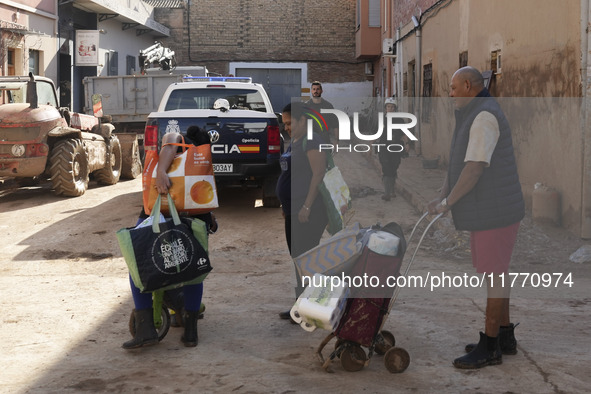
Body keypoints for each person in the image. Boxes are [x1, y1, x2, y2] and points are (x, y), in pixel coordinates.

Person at [427, 66, 525, 369]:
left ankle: (490, 346)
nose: (450, 94)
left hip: (495, 212)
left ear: (469, 86)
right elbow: (458, 162)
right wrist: (442, 195)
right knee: (498, 273)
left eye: (454, 88)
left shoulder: (483, 116)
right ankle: (505, 337)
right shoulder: (472, 113)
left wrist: (448, 203)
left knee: (495, 278)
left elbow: (474, 169)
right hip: (491, 209)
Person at [122, 126, 217, 350]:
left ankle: (146, 329)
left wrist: (162, 171)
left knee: (139, 266)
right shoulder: (201, 164)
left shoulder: (178, 141)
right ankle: (191, 331)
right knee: (194, 271)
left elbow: (171, 138)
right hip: (195, 219)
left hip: (157, 215)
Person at [276, 101, 329, 320]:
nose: (286, 127)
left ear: (303, 121)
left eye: (289, 123)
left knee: (306, 261)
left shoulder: (312, 140)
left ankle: (312, 309)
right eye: (284, 124)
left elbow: (318, 174)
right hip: (294, 210)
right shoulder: (295, 141)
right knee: (299, 260)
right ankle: (302, 307)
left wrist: (306, 205)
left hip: (309, 212)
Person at [377, 97, 408, 201]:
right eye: (388, 107)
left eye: (392, 107)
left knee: (394, 167)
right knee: (386, 168)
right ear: (385, 108)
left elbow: (404, 134)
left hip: (396, 147)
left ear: (395, 108)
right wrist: (370, 145)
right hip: (383, 147)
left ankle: (392, 189)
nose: (390, 109)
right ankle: (387, 193)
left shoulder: (399, 120)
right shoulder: (382, 119)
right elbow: (376, 134)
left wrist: (406, 144)